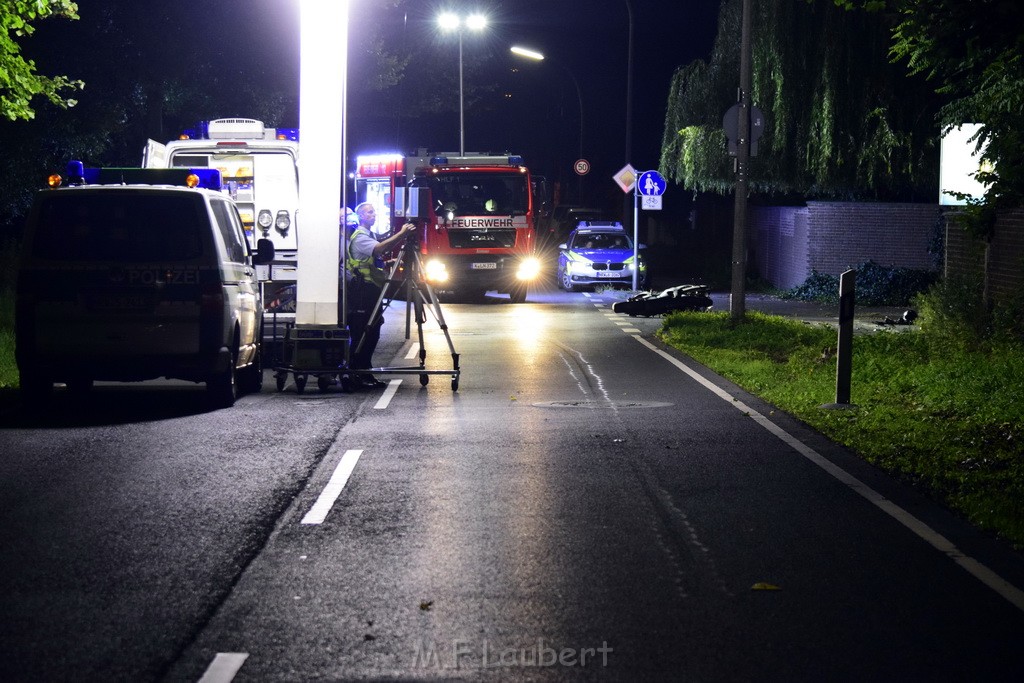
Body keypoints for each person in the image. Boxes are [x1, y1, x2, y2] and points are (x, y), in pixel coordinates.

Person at [344, 202, 417, 388]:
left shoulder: (370, 235)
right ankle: (357, 373)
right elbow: (379, 249)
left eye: (374, 211)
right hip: (363, 290)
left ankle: (364, 372)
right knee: (364, 331)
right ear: (360, 217)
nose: (373, 214)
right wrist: (401, 234)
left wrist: (390, 262)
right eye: (369, 212)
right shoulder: (360, 237)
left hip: (371, 289)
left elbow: (374, 260)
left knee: (372, 329)